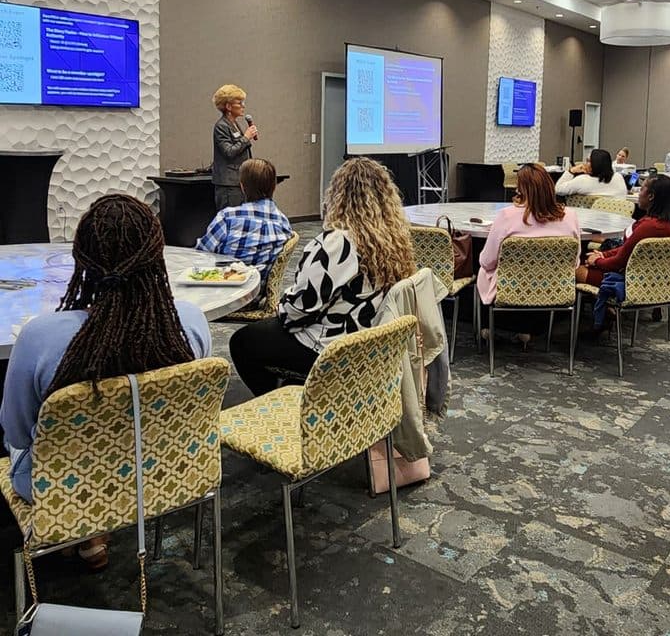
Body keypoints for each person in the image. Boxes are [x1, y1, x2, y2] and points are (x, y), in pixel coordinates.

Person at [0, 194, 211, 567]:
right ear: (157, 255)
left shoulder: (39, 338)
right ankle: (95, 530)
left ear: (80, 259)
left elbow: (17, 434)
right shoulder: (189, 324)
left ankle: (78, 527)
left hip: (61, 486)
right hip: (164, 473)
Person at [229, 157, 416, 395]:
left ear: (337, 196)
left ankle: (283, 402)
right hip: (370, 343)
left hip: (331, 348)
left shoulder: (336, 244)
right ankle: (299, 389)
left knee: (242, 342)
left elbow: (297, 312)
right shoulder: (394, 239)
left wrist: (281, 304)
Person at [477, 165, 581, 331]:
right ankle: (531, 330)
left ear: (520, 188)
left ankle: (488, 327)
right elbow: (574, 263)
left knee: (483, 269)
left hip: (510, 289)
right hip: (554, 289)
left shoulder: (506, 216)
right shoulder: (570, 216)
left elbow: (487, 261)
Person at [576, 174, 670, 335]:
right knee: (584, 259)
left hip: (631, 281)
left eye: (643, 188)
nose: (638, 192)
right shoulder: (667, 224)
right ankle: (604, 312)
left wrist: (597, 262)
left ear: (651, 196)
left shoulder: (649, 227)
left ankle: (597, 316)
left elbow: (619, 261)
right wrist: (603, 255)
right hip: (650, 279)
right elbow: (628, 250)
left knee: (574, 267)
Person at [197, 158, 292, 287]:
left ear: (242, 186)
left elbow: (201, 256)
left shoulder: (227, 217)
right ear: (274, 186)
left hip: (222, 293)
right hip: (257, 294)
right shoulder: (283, 223)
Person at [212, 83, 258, 210]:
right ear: (228, 106)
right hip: (228, 185)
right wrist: (246, 137)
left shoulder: (235, 124)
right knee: (231, 220)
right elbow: (229, 152)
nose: (243, 106)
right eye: (239, 103)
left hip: (239, 181)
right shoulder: (221, 126)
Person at [554, 148, 627, 198]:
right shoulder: (618, 177)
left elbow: (557, 189)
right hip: (617, 218)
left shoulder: (582, 180)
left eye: (588, 161)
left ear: (595, 164)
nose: (585, 163)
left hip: (588, 218)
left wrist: (571, 171)